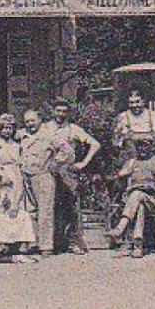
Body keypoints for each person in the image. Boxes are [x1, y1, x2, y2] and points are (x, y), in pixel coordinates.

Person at [44, 98, 101, 254]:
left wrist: (83, 163)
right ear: (52, 111)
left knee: (70, 207)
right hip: (48, 172)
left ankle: (73, 242)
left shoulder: (73, 129)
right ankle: (52, 243)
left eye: (64, 111)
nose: (61, 114)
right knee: (50, 207)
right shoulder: (45, 128)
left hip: (67, 172)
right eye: (58, 111)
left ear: (68, 113)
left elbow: (95, 144)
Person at [107, 135, 155, 258]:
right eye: (139, 146)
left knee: (137, 196)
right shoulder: (131, 162)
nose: (142, 149)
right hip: (135, 201)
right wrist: (121, 176)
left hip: (154, 200)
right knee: (139, 204)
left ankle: (121, 228)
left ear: (152, 147)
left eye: (145, 145)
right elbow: (117, 184)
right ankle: (138, 245)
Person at [17, 109, 60, 255]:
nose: (30, 124)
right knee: (30, 211)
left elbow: (66, 151)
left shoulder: (49, 135)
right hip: (27, 176)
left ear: (40, 120)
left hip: (43, 176)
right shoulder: (23, 135)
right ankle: (33, 242)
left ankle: (46, 246)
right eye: (27, 121)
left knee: (45, 211)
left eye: (32, 120)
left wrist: (55, 164)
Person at [112, 90, 155, 156]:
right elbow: (115, 140)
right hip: (130, 159)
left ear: (143, 101)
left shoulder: (154, 116)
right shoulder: (123, 117)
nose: (134, 105)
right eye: (131, 103)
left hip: (152, 157)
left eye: (137, 102)